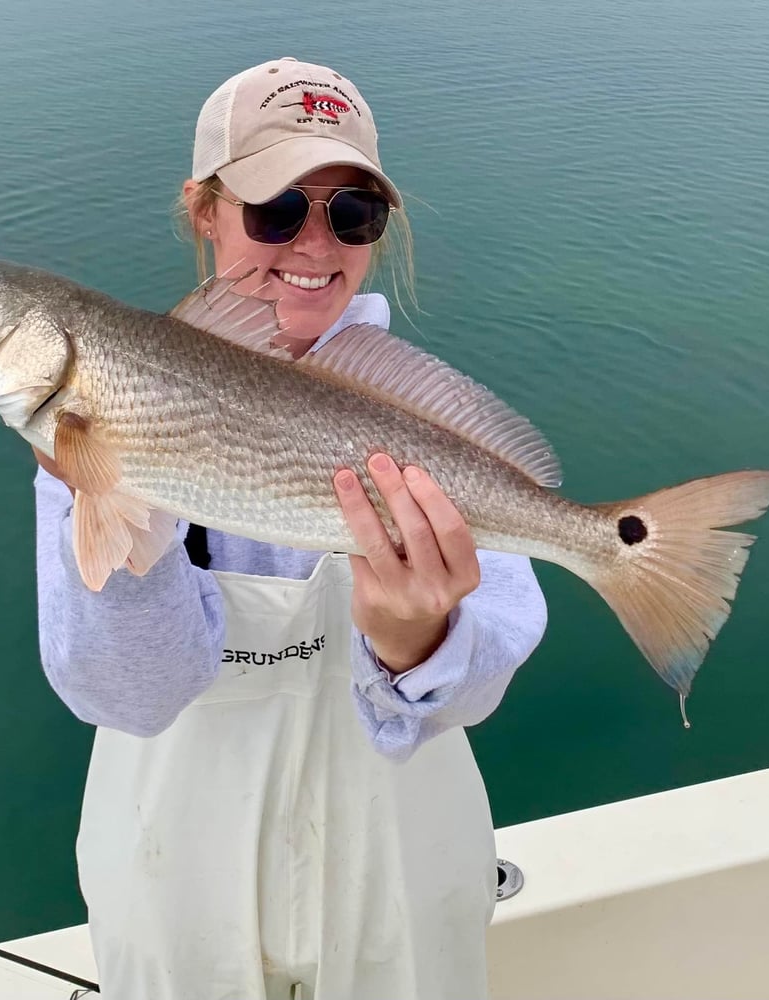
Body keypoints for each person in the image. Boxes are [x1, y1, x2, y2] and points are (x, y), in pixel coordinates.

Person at [34, 56, 547, 1000]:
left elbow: (480, 687)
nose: (315, 244)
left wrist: (416, 645)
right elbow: (128, 697)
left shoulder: (428, 426)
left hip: (400, 871)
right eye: (276, 210)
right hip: (171, 875)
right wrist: (123, 515)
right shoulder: (108, 407)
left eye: (352, 214)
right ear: (204, 209)